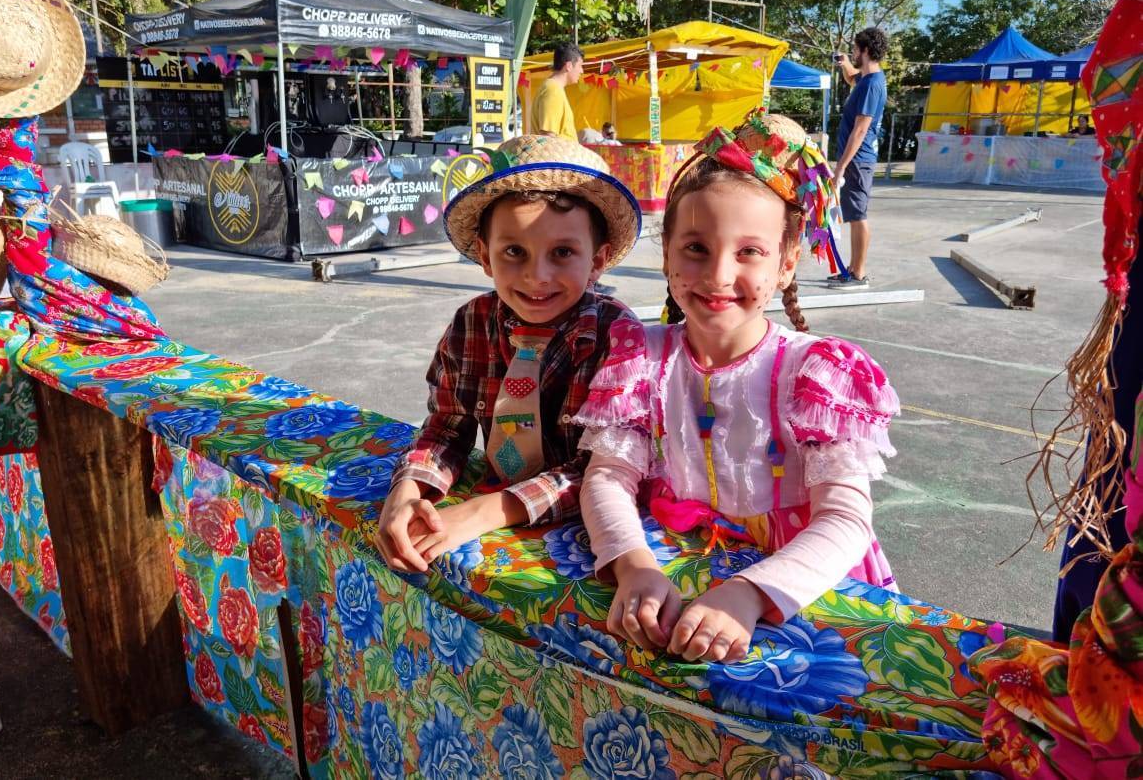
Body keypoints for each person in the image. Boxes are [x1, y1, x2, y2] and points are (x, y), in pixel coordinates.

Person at [574, 112, 899, 664]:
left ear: (787, 263)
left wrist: (751, 593)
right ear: (667, 255)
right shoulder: (641, 357)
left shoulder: (816, 374)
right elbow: (608, 475)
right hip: (677, 575)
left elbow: (844, 520)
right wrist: (634, 566)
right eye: (695, 248)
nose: (719, 275)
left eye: (749, 251)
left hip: (801, 590)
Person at [373, 134, 642, 572]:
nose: (537, 276)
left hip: (589, 542)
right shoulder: (471, 323)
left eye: (563, 252)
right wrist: (408, 491)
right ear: (485, 255)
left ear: (597, 260)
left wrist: (482, 512)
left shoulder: (618, 338)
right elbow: (446, 428)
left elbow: (604, 472)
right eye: (514, 251)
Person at [830, 27, 889, 290]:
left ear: (864, 50)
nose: (853, 53)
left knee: (858, 215)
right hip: (857, 159)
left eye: (854, 49)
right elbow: (852, 77)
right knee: (854, 214)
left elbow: (861, 128)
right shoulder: (865, 79)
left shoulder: (873, 85)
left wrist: (841, 167)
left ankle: (858, 275)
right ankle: (852, 269)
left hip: (859, 159)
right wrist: (844, 64)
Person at [530, 43, 584, 139]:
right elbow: (547, 138)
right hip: (556, 153)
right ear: (569, 66)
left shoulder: (553, 88)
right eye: (580, 66)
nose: (582, 71)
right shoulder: (553, 90)